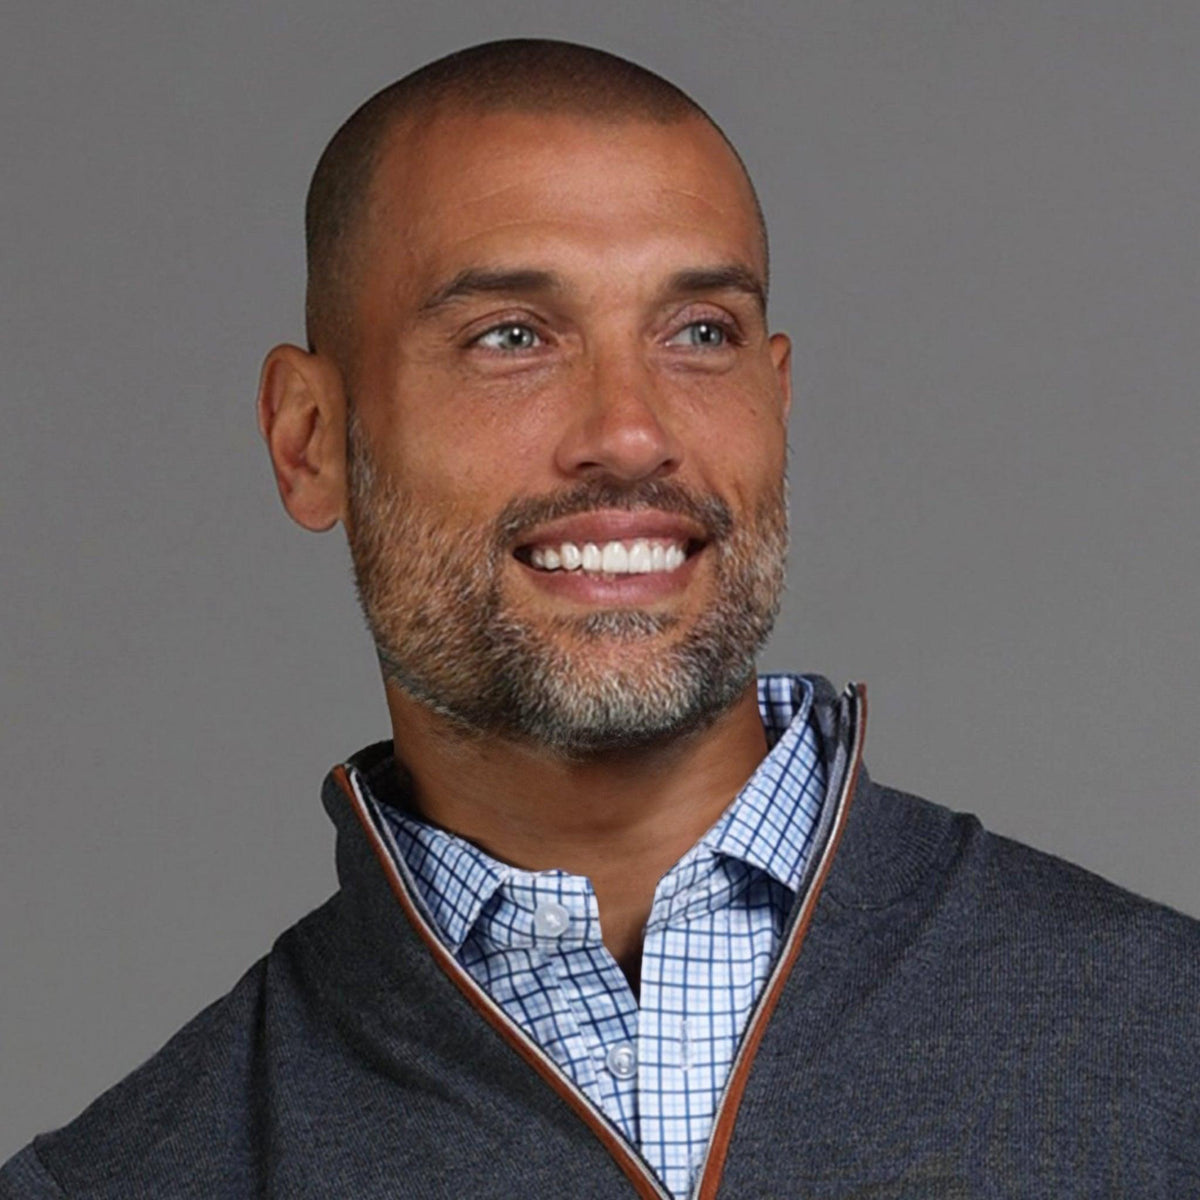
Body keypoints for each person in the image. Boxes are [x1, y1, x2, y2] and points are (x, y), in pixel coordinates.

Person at [3, 37, 1197, 1200]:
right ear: (310, 440)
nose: (630, 432)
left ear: (777, 399)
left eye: (700, 334)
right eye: (511, 338)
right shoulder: (138, 1176)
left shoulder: (1165, 1048)